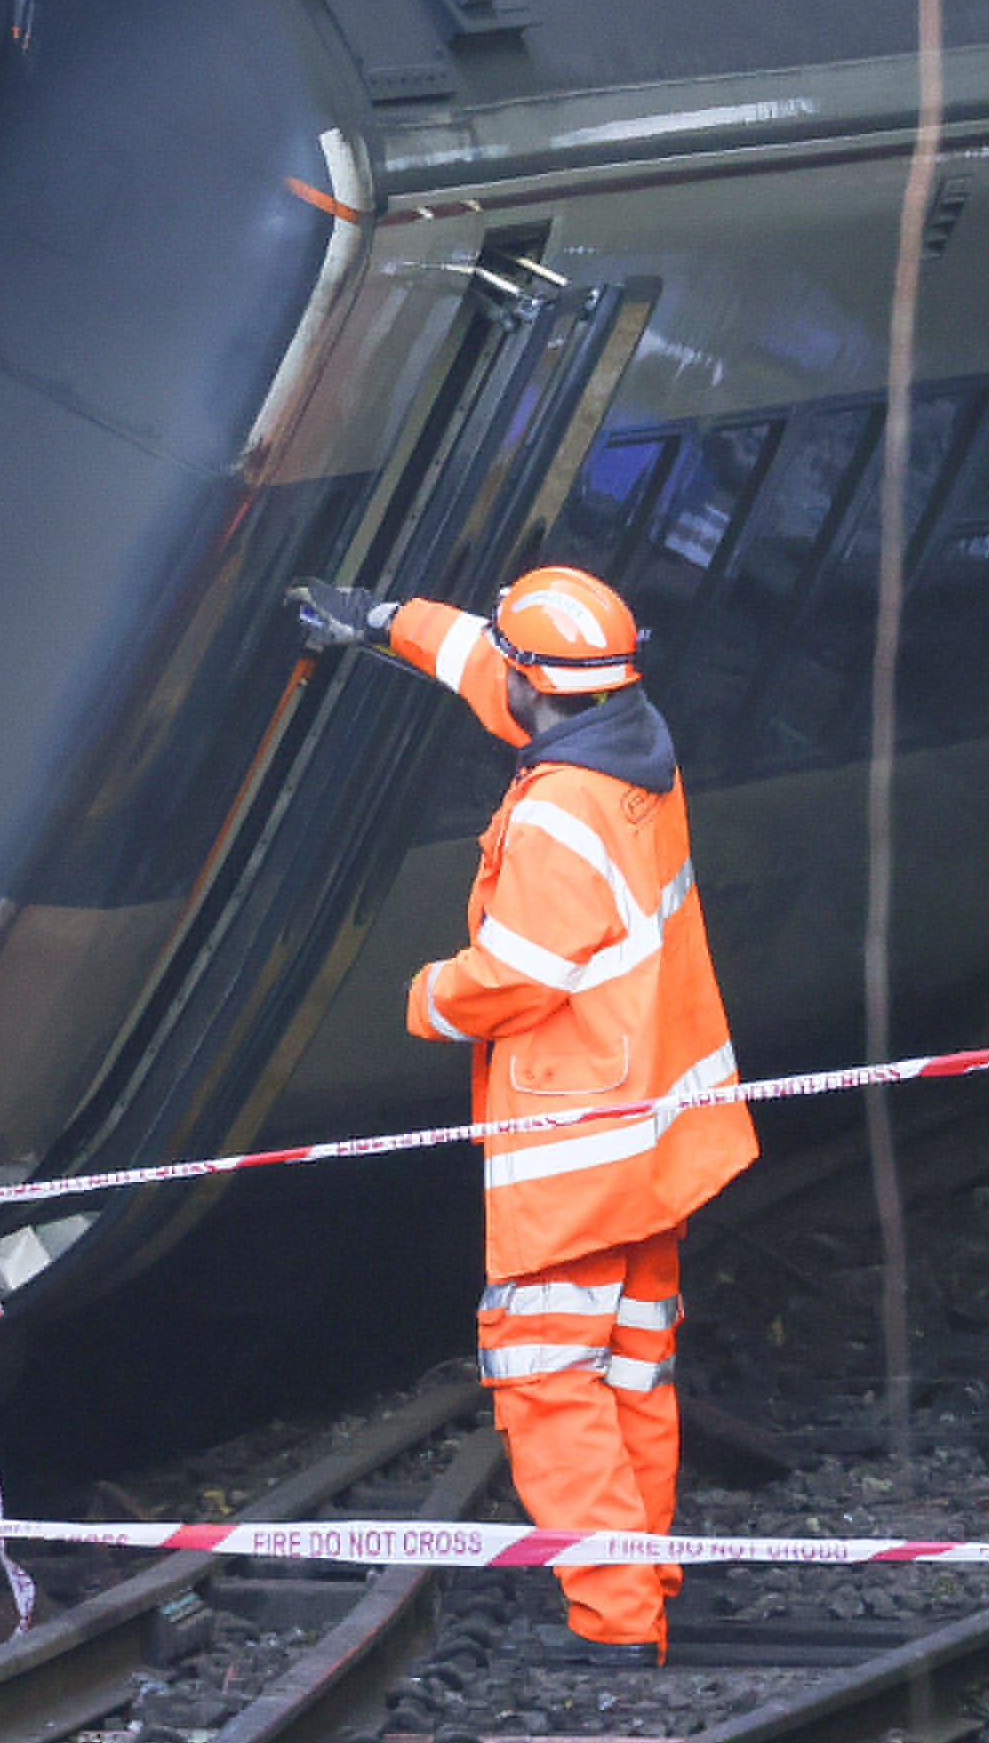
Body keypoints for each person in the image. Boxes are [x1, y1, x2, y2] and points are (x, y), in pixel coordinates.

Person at [293, 565, 756, 1665]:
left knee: (549, 1377)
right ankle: (644, 1590)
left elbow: (511, 978)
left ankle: (612, 1627)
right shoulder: (631, 739)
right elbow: (488, 669)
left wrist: (421, 996)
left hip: (577, 1151)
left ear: (535, 683)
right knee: (632, 1365)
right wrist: (382, 621)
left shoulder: (555, 813)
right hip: (656, 1138)